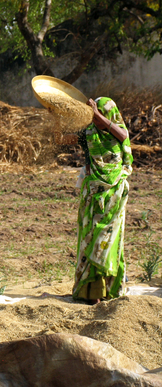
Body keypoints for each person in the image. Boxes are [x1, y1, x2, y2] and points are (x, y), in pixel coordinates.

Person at [58, 97, 132, 305]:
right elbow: (61, 139)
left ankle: (107, 288)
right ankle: (92, 291)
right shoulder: (88, 135)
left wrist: (98, 116)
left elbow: (123, 135)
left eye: (99, 114)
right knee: (91, 238)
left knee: (107, 240)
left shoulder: (118, 133)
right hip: (93, 196)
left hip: (114, 195)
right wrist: (55, 117)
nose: (95, 119)